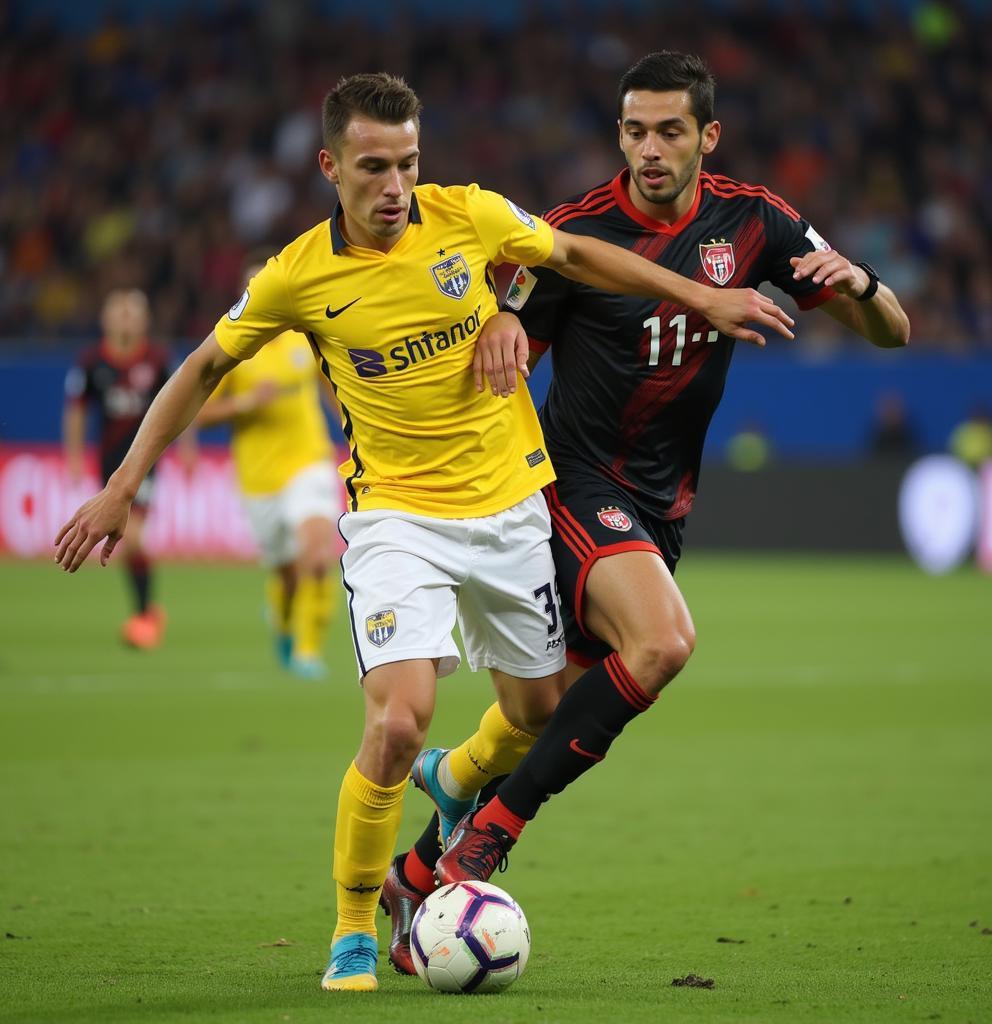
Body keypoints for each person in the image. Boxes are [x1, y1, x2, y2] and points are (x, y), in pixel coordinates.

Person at [53, 71, 795, 993]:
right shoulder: (297, 276)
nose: (395, 184)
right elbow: (205, 365)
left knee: (534, 716)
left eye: (408, 162)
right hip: (399, 518)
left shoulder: (469, 215)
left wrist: (700, 296)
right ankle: (355, 929)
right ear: (330, 166)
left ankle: (458, 782)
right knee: (398, 721)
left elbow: (572, 256)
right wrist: (123, 484)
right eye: (373, 166)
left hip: (513, 509)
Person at [383, 50, 909, 975]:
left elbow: (893, 330)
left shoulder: (754, 221)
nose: (650, 149)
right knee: (664, 642)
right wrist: (505, 324)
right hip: (572, 489)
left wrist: (860, 286)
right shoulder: (575, 234)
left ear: (709, 135)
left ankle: (417, 870)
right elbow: (507, 328)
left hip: (661, 508)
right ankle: (489, 837)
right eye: (634, 130)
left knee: (557, 716)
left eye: (670, 130)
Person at [195, 256, 341, 678]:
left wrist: (355, 435)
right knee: (287, 572)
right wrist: (244, 403)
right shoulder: (234, 348)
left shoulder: (304, 336)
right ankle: (281, 621)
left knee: (316, 556)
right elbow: (199, 413)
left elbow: (332, 388)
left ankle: (308, 649)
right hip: (259, 477)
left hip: (309, 461)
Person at [62, 288, 177, 648]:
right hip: (109, 466)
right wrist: (75, 455)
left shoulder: (158, 360)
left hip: (143, 463)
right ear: (105, 319)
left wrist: (187, 447)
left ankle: (145, 617)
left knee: (134, 539)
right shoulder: (92, 362)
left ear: (145, 320)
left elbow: (180, 402)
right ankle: (147, 613)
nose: (126, 318)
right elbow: (77, 409)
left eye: (133, 311)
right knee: (127, 543)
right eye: (120, 311)